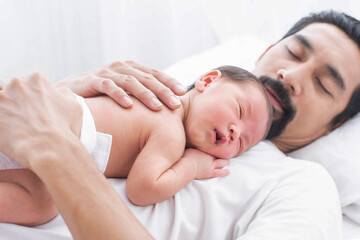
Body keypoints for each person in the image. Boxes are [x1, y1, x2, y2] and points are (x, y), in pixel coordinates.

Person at [0, 9, 357, 239]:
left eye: (325, 84)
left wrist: (57, 152)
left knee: (42, 198)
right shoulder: (165, 99)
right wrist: (64, 93)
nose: (291, 75)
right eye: (294, 52)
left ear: (331, 126)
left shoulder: (304, 186)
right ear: (264, 52)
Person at [0, 66, 272, 226]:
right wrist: (192, 166)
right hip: (52, 124)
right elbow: (142, 189)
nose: (236, 132)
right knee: (43, 204)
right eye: (238, 110)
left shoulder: (151, 93)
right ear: (208, 81)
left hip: (39, 124)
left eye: (241, 144)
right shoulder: (171, 131)